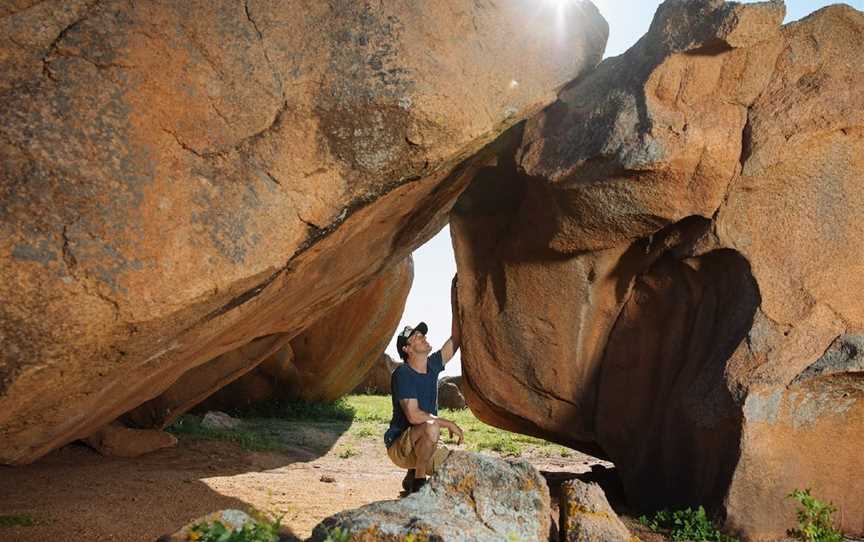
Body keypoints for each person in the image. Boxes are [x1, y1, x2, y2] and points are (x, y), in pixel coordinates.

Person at [384, 277, 463, 494]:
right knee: (430, 425)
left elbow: (456, 339)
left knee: (460, 470)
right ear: (407, 349)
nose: (423, 337)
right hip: (399, 446)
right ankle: (418, 487)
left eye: (422, 334)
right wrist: (448, 423)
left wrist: (456, 299)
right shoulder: (403, 373)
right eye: (418, 337)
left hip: (424, 443)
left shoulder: (433, 365)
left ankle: (412, 476)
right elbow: (413, 415)